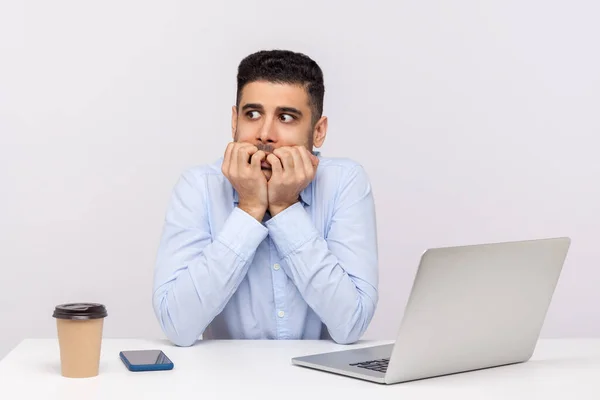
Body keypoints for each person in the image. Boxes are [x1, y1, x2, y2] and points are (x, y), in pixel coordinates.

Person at [152, 49, 379, 346]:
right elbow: (177, 327)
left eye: (286, 117)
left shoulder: (344, 183)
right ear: (235, 121)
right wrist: (249, 209)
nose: (265, 134)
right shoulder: (198, 186)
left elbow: (351, 324)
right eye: (253, 114)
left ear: (318, 131)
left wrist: (285, 207)